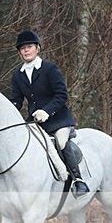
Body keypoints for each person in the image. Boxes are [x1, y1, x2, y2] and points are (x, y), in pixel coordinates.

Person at [11, 29, 89, 197]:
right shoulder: (17, 75)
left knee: (61, 143)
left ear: (37, 48)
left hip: (58, 120)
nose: (26, 50)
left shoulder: (49, 69)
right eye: (22, 48)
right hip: (35, 122)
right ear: (19, 52)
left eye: (29, 47)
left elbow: (62, 95)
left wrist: (47, 111)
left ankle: (78, 180)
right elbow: (16, 101)